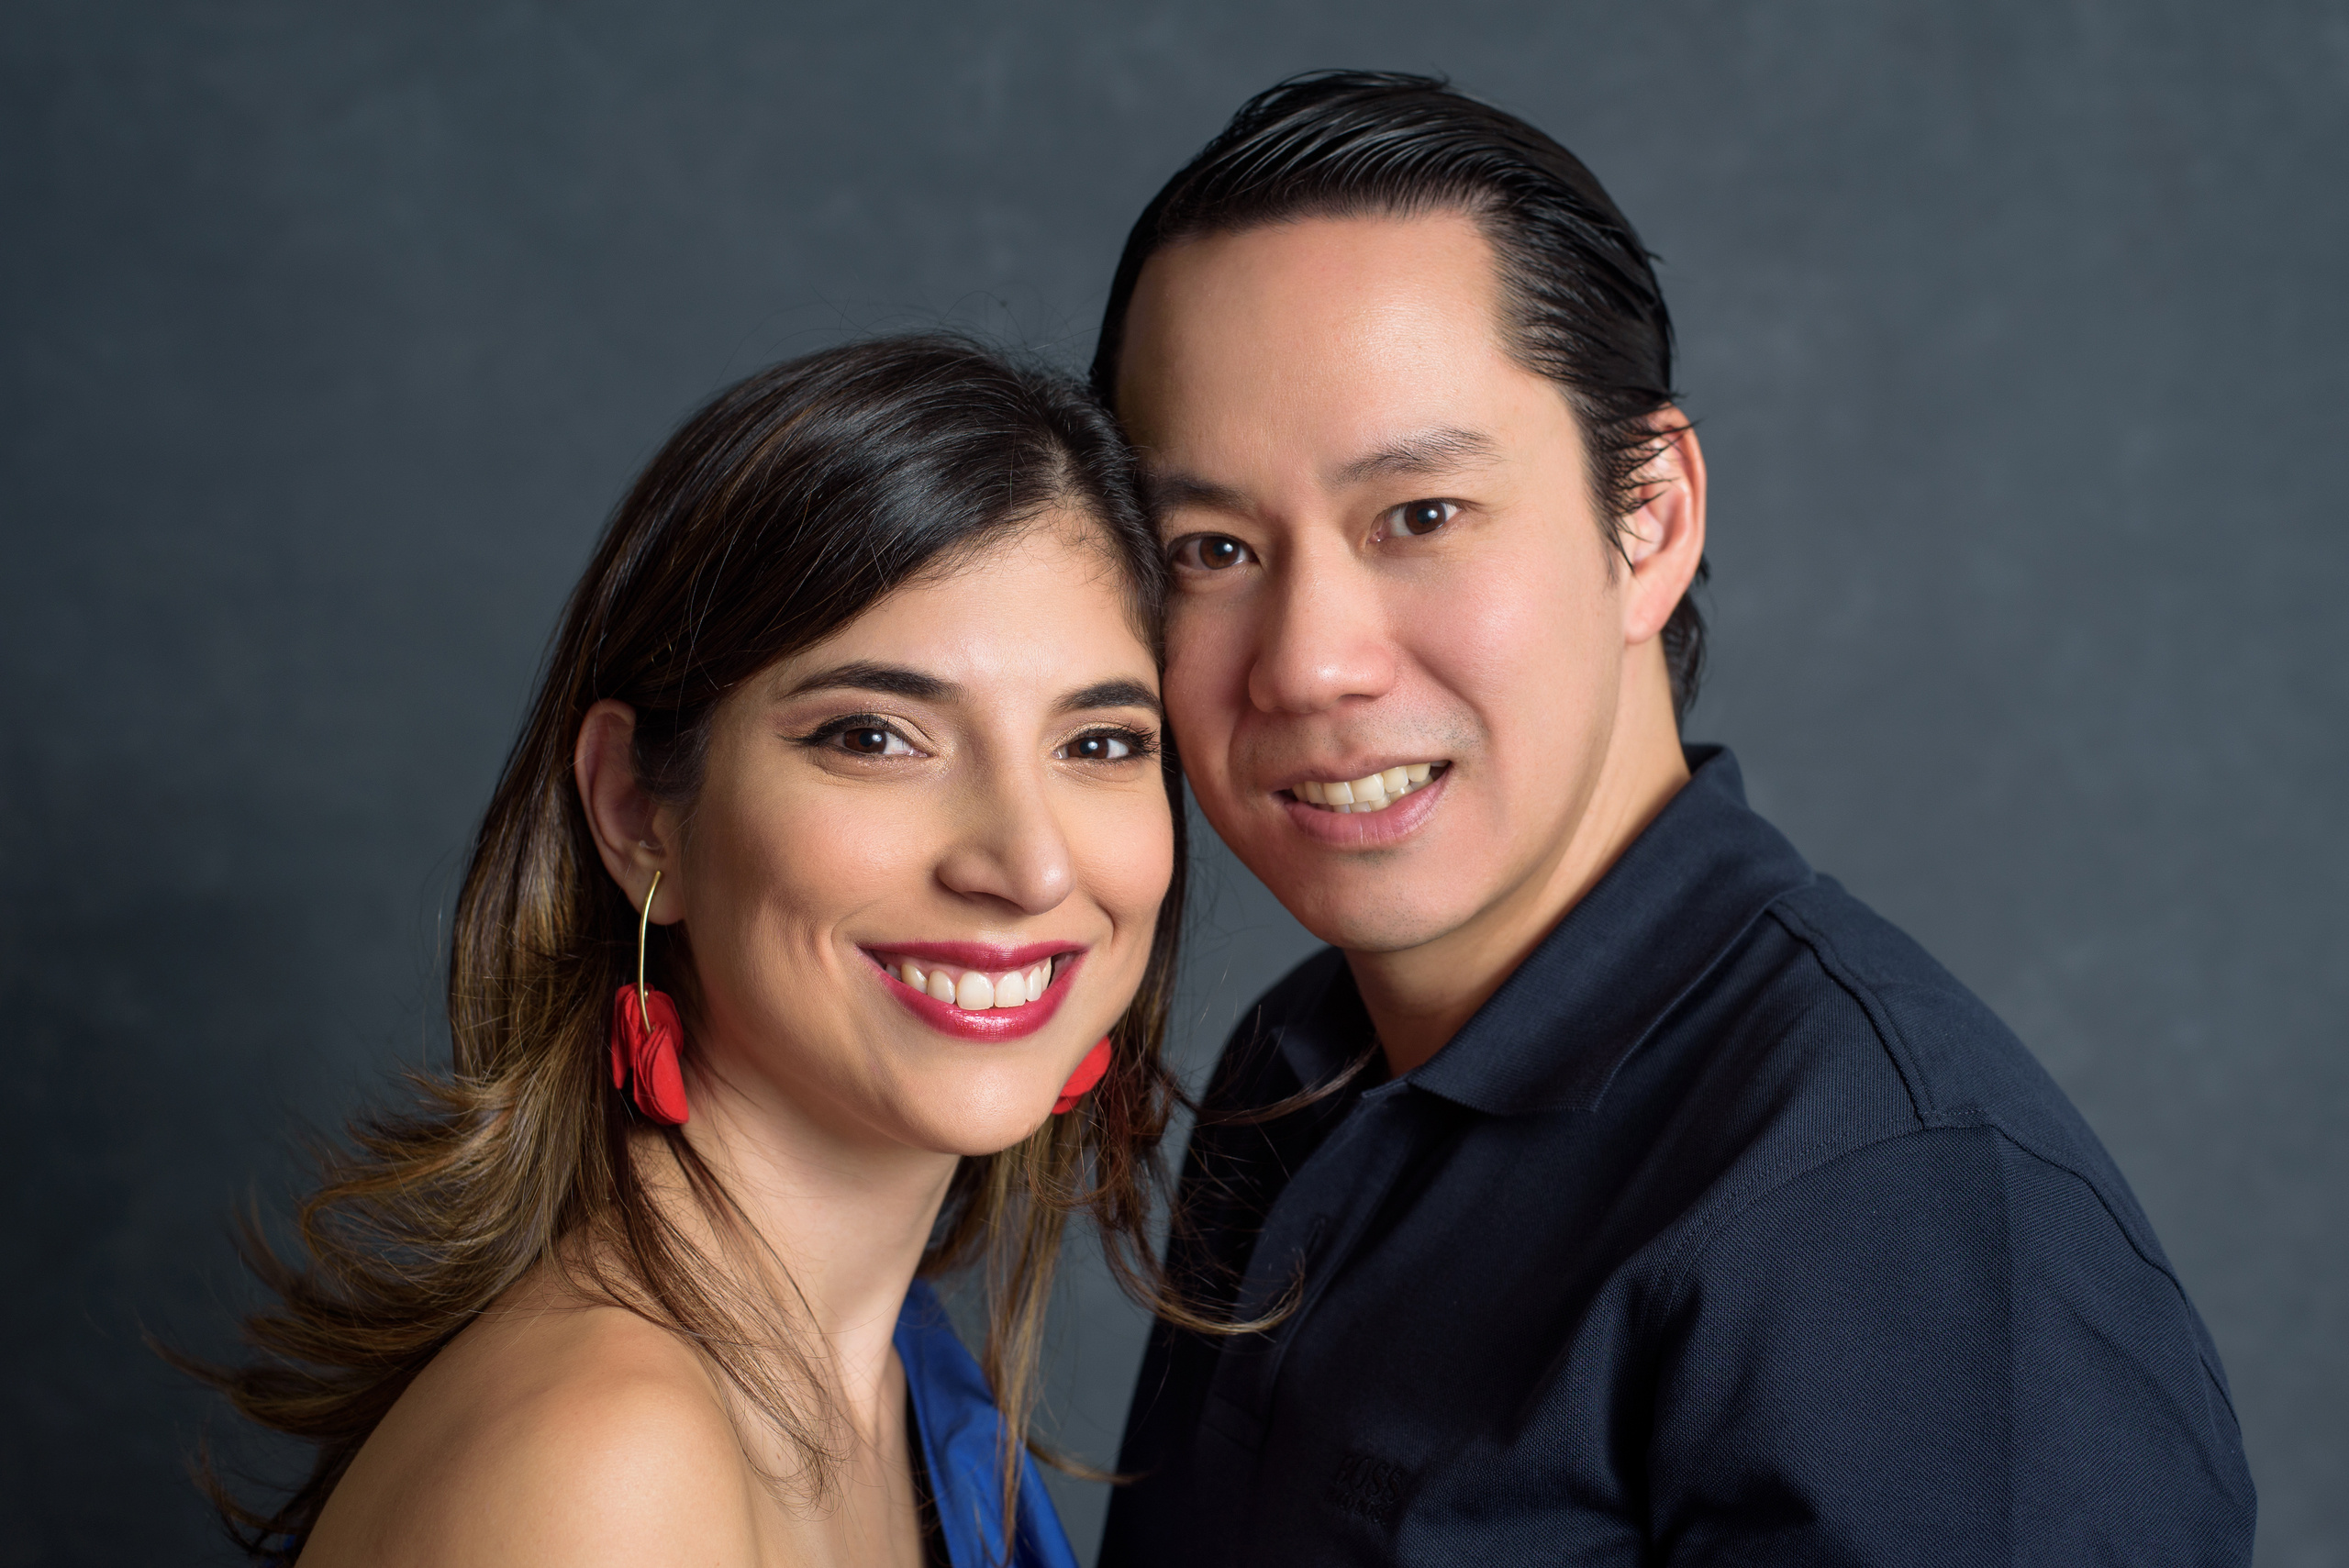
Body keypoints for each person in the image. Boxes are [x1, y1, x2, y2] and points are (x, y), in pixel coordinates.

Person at [1094, 72, 2256, 1564]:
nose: (1312, 657)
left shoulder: (1899, 1213)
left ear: (1649, 518)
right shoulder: (1292, 1070)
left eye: (1420, 517)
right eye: (1213, 547)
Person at [184, 337, 1195, 1568]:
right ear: (635, 810)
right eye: (875, 735)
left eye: (1097, 743)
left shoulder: (901, 1388)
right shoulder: (607, 1467)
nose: (1030, 866)